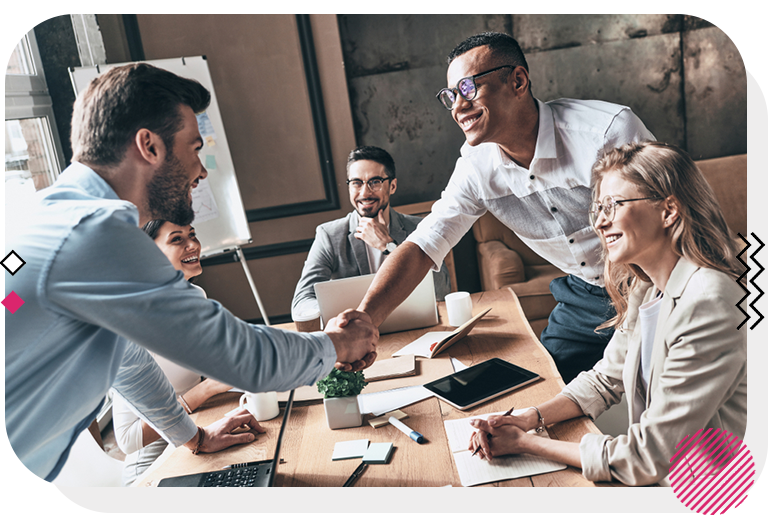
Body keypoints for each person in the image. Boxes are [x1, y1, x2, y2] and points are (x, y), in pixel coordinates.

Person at [4, 63, 377, 489]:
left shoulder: (45, 217)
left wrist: (193, 436)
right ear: (149, 146)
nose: (201, 170)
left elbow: (129, 362)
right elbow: (242, 357)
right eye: (193, 148)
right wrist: (338, 344)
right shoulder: (96, 235)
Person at [351, 32, 655, 383]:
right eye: (451, 96)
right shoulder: (476, 167)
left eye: (468, 89)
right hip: (584, 292)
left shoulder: (606, 132)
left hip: (649, 279)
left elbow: (668, 220)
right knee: (545, 388)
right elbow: (424, 244)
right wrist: (363, 321)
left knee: (655, 389)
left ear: (518, 80)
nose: (457, 107)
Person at [467, 142, 747, 486]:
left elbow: (645, 457)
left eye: (614, 205)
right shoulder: (648, 287)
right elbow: (603, 380)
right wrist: (528, 418)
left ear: (669, 210)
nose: (600, 222)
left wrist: (527, 444)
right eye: (598, 208)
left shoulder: (708, 300)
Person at [113, 220, 238, 486]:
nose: (193, 245)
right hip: (153, 468)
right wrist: (205, 391)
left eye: (192, 235)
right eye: (177, 239)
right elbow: (128, 440)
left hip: (198, 438)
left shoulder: (196, 296)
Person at [291, 146, 451, 322]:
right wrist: (338, 319)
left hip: (414, 326)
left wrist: (388, 246)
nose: (365, 193)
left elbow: (442, 290)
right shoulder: (329, 235)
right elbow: (302, 301)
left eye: (375, 182)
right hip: (354, 332)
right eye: (356, 183)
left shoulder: (419, 228)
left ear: (392, 186)